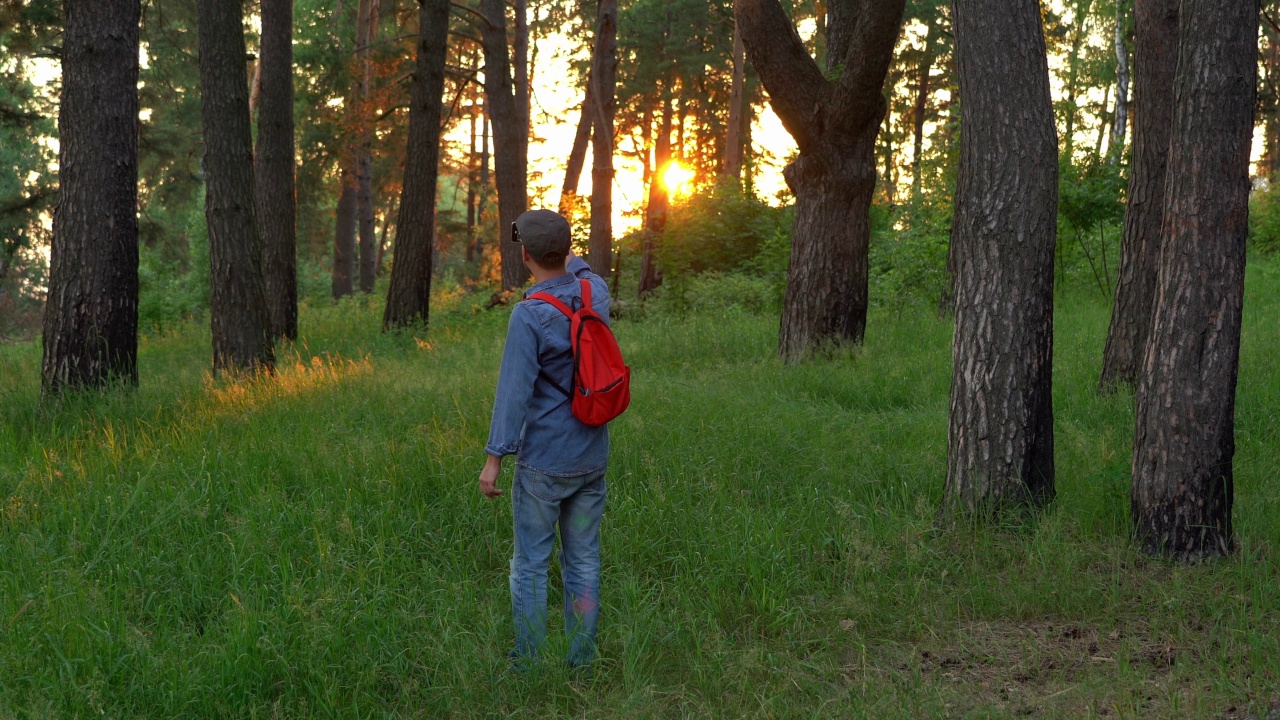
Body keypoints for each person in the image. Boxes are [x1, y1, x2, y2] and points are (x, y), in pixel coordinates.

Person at [479, 208, 611, 670]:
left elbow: (513, 393)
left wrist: (495, 459)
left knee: (531, 564)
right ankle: (582, 657)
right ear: (567, 248)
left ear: (526, 254)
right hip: (592, 455)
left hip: (544, 466)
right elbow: (582, 269)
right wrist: (565, 253)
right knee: (583, 561)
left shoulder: (529, 314)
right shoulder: (598, 294)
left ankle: (530, 660)